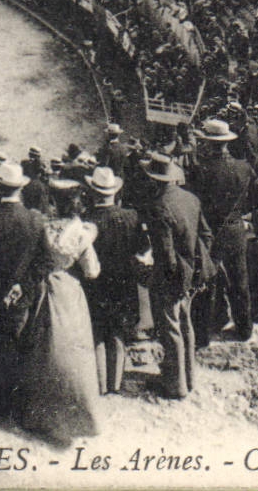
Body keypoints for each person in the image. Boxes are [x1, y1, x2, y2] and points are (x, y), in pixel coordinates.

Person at [15, 179, 104, 442]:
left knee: (44, 348)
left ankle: (40, 414)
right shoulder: (80, 233)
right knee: (75, 349)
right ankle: (79, 412)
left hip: (46, 287)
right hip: (69, 289)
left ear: (53, 202)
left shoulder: (43, 228)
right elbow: (92, 271)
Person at [189, 118, 258, 343]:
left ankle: (203, 334)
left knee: (206, 281)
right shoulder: (243, 167)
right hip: (235, 229)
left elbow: (193, 203)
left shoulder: (200, 169)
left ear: (207, 143)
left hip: (210, 233)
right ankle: (244, 329)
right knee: (239, 280)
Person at [0, 162, 43, 416]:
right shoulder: (35, 220)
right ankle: (14, 403)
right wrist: (21, 285)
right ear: (20, 188)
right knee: (17, 345)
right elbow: (44, 261)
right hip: (22, 296)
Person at [141, 152, 210, 399]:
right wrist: (194, 267)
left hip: (170, 277)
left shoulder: (158, 207)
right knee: (185, 324)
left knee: (170, 329)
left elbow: (166, 254)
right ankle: (190, 378)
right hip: (192, 273)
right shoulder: (191, 199)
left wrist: (171, 279)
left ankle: (175, 385)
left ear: (154, 179)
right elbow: (206, 235)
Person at [84, 166, 145, 394]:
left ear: (93, 192)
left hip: (96, 284)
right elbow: (142, 249)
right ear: (114, 192)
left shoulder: (87, 219)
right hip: (123, 283)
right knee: (118, 333)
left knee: (98, 333)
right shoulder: (131, 216)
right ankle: (115, 383)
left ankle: (101, 384)